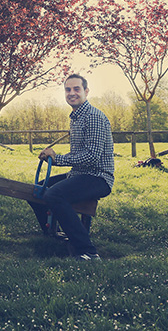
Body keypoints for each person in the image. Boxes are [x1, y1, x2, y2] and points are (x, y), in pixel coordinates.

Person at [31, 74, 115, 261]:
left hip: (98, 177)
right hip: (79, 174)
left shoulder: (93, 117)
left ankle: (87, 251)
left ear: (86, 91)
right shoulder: (76, 117)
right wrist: (51, 157)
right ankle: (53, 235)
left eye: (76, 89)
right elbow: (79, 154)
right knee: (37, 191)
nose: (72, 93)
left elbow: (92, 157)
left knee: (54, 194)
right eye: (68, 90)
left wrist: (57, 158)